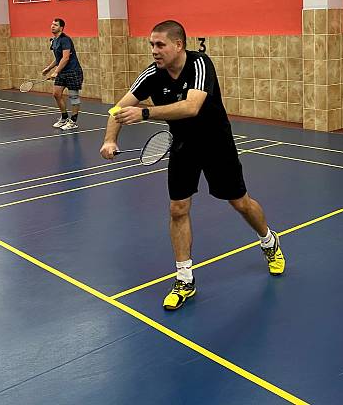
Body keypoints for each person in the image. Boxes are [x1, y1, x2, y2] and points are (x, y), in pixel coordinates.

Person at [100, 20, 285, 311]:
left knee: (240, 203)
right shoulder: (152, 74)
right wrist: (110, 139)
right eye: (151, 45)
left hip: (216, 144)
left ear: (178, 45)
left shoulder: (200, 65)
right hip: (183, 146)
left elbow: (191, 107)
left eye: (160, 45)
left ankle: (268, 240)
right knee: (178, 209)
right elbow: (117, 108)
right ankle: (185, 278)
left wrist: (145, 113)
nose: (154, 51)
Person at [41, 18, 83, 130]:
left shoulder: (65, 40)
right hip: (62, 71)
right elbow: (58, 59)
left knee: (73, 97)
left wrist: (56, 72)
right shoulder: (54, 41)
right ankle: (64, 117)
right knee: (56, 94)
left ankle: (73, 121)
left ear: (61, 28)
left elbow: (65, 58)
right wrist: (49, 68)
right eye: (52, 24)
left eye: (55, 25)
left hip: (73, 71)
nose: (52, 26)